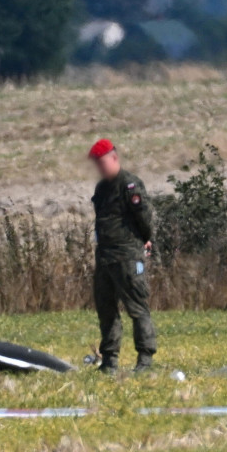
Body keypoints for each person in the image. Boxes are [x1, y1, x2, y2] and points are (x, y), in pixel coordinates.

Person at [88, 139, 157, 374]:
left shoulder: (129, 185)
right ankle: (109, 360)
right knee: (106, 309)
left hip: (127, 255)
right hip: (105, 257)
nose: (99, 168)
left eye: (102, 162)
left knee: (137, 308)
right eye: (96, 164)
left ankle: (145, 359)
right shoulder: (101, 189)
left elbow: (144, 217)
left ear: (114, 158)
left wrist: (144, 238)